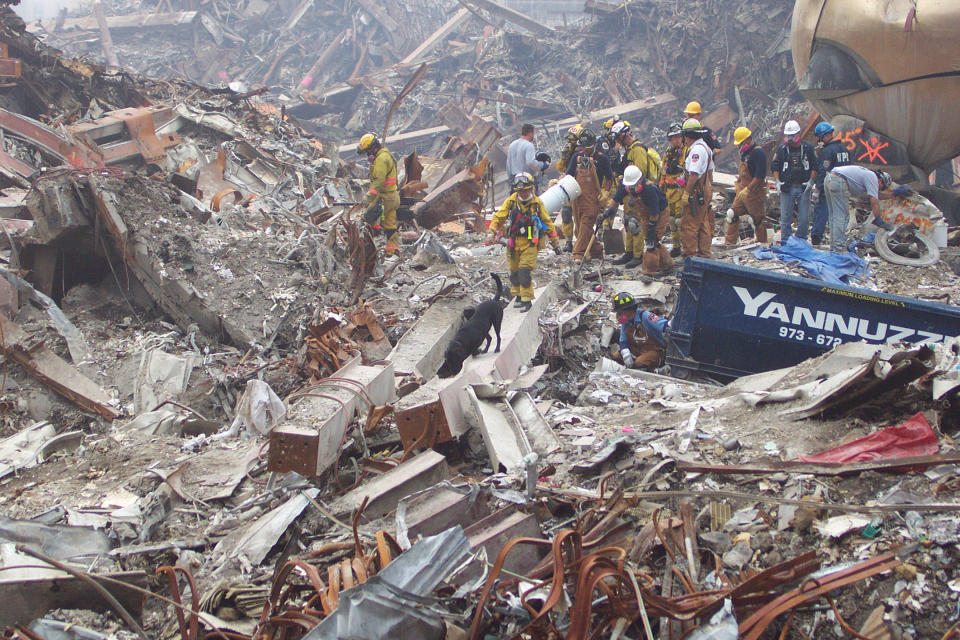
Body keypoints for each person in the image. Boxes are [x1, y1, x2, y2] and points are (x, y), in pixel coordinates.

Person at [486, 173, 560, 312]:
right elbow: (499, 217)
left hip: (530, 241)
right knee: (514, 271)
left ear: (531, 189)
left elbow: (547, 222)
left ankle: (527, 299)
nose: (523, 193)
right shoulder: (511, 201)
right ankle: (518, 295)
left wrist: (555, 242)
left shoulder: (537, 204)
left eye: (526, 190)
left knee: (524, 270)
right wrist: (492, 232)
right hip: (513, 242)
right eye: (520, 191)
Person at [602, 166, 672, 274]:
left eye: (633, 185)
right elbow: (615, 199)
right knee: (651, 240)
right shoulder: (626, 186)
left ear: (640, 180)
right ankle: (667, 264)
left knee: (652, 241)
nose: (631, 188)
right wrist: (606, 212)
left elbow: (655, 213)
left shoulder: (650, 189)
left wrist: (652, 228)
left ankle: (650, 270)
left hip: (660, 213)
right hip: (645, 214)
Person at [823, 166, 909, 253]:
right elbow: (874, 202)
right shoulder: (873, 178)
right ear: (881, 181)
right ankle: (838, 248)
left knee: (834, 215)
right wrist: (878, 219)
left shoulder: (869, 176)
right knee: (842, 216)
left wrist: (894, 193)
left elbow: (878, 195)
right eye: (882, 188)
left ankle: (834, 247)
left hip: (830, 179)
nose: (880, 189)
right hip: (839, 181)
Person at [566, 128, 613, 265]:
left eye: (586, 147)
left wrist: (605, 193)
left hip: (593, 198)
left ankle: (578, 254)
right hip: (577, 197)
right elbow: (568, 175)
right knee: (580, 227)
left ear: (593, 144)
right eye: (582, 147)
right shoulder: (576, 157)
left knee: (587, 224)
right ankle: (596, 250)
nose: (584, 150)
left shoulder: (602, 158)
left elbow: (609, 178)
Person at [772, 120, 816, 242]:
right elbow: (775, 166)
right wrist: (777, 182)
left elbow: (815, 166)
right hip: (787, 187)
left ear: (799, 134)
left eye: (792, 136)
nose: (789, 138)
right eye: (787, 136)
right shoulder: (782, 149)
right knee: (785, 217)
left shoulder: (808, 148)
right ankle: (786, 241)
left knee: (804, 218)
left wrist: (811, 181)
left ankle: (801, 240)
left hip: (803, 187)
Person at [357, 132, 400, 257]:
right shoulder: (387, 155)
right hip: (393, 197)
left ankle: (367, 249)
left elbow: (379, 181)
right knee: (390, 225)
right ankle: (391, 252)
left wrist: (368, 198)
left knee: (367, 219)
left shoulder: (381, 159)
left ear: (372, 148)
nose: (368, 155)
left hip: (384, 198)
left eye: (367, 152)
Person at [724, 126, 769, 245]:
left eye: (741, 143)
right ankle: (729, 243)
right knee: (732, 214)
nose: (739, 147)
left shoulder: (759, 153)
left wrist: (748, 188)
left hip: (754, 192)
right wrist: (740, 179)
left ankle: (762, 244)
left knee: (757, 220)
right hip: (742, 191)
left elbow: (759, 176)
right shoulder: (744, 153)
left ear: (748, 140)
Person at [810, 122, 850, 245]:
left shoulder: (828, 151)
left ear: (825, 136)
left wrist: (818, 189)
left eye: (820, 138)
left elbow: (823, 171)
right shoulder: (844, 148)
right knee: (839, 213)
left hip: (829, 186)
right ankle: (838, 240)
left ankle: (816, 237)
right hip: (843, 186)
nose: (819, 141)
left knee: (822, 210)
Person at [681, 118, 714, 258]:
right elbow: (710, 171)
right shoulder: (705, 147)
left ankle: (690, 256)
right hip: (704, 188)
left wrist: (687, 192)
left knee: (689, 224)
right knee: (702, 222)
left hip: (696, 191)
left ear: (688, 135)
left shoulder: (697, 151)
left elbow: (694, 174)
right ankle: (704, 254)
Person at [610, 292, 669, 370]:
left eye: (620, 311)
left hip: (654, 351)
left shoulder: (646, 316)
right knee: (616, 356)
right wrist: (625, 353)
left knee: (640, 363)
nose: (619, 314)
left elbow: (664, 325)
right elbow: (623, 340)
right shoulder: (625, 321)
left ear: (628, 309)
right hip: (637, 350)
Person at [660, 122, 686, 256]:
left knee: (680, 220)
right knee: (671, 221)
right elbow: (663, 171)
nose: (676, 139)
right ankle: (676, 246)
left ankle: (686, 246)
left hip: (680, 191)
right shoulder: (668, 153)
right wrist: (661, 188)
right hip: (669, 191)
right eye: (673, 137)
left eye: (678, 136)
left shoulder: (686, 151)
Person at [556, 124, 583, 250]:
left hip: (580, 186)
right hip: (567, 185)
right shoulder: (570, 153)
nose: (571, 144)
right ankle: (568, 241)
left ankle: (580, 240)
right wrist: (563, 157)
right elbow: (561, 168)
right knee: (566, 213)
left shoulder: (584, 153)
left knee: (579, 215)